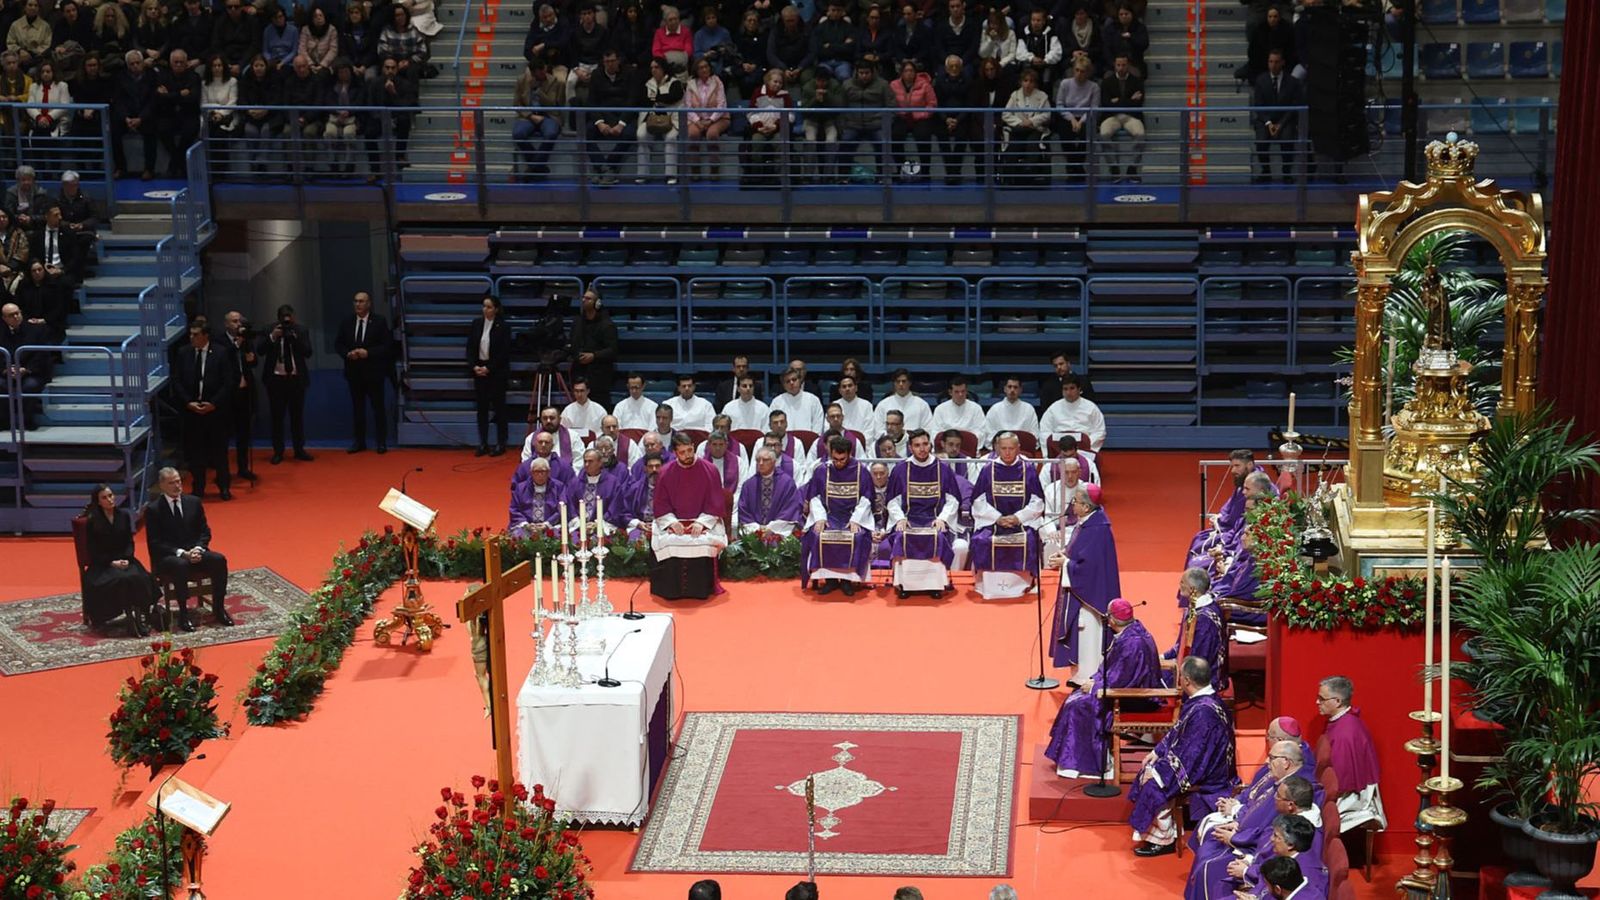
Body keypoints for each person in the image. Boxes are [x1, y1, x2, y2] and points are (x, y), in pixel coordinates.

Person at [1127, 656, 1236, 857]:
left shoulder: (1203, 712)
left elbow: (1193, 756)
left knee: (1154, 783)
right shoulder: (1207, 699)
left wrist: (1160, 773)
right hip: (1207, 762)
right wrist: (1157, 751)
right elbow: (1179, 731)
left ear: (1186, 680)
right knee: (1152, 767)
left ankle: (1163, 839)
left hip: (1212, 773)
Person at [1045, 597, 1160, 778]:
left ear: (1112, 620)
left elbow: (1123, 679)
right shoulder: (1132, 631)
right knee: (1076, 697)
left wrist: (1094, 687)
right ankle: (1072, 759)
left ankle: (1082, 765)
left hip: (1136, 698)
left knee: (1080, 706)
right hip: (1129, 688)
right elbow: (1118, 670)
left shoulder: (1132, 643)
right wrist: (1095, 682)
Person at [1185, 752, 1312, 900]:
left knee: (1209, 870)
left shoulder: (1299, 835)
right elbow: (1265, 838)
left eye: (1278, 797)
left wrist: (1247, 870)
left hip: (1259, 875)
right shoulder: (1290, 817)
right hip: (1255, 861)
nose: (1274, 798)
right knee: (1208, 856)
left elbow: (1280, 877)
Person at [144, 466, 232, 632]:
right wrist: (182, 553)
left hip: (194, 551)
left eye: (178, 481)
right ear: (162, 485)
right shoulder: (154, 509)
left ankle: (219, 608)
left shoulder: (193, 502)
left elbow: (204, 532)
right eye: (172, 483)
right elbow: (155, 542)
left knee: (219, 560)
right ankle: (183, 614)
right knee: (181, 565)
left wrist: (198, 548)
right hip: (169, 557)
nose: (177, 486)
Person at [1049, 482, 1121, 678]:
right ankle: (1079, 675)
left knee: (1087, 637)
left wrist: (1066, 564)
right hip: (1082, 592)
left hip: (1090, 600)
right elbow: (1081, 552)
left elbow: (1090, 569)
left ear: (1087, 507)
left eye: (1076, 501)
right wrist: (1064, 554)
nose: (1073, 504)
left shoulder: (1097, 529)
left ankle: (1087, 676)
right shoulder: (1088, 522)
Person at [886, 429, 963, 594]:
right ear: (910, 447)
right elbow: (892, 501)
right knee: (901, 536)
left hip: (934, 518)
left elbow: (953, 500)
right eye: (917, 445)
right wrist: (900, 519)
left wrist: (943, 518)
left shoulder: (943, 468)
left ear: (930, 445)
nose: (922, 449)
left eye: (925, 444)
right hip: (909, 518)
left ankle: (935, 584)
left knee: (938, 536)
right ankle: (904, 585)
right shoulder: (901, 469)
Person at [651, 432, 729, 595]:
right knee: (668, 541)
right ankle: (670, 590)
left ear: (693, 447)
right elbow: (661, 504)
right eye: (682, 452)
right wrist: (672, 522)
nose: (687, 455)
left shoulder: (710, 470)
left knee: (703, 541)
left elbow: (715, 502)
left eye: (689, 450)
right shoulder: (665, 472)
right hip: (674, 520)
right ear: (675, 453)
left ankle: (701, 589)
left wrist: (701, 522)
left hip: (704, 520)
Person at [969, 432, 1044, 599]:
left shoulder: (1028, 469)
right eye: (1004, 448)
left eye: (1011, 448)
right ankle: (986, 584)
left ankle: (1022, 583)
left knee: (1029, 540)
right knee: (982, 540)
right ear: (997, 448)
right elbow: (978, 500)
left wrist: (1018, 517)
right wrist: (997, 518)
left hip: (1021, 523)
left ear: (1018, 448)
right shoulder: (988, 470)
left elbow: (1037, 501)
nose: (1008, 452)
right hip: (993, 522)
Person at [81, 483, 158, 636]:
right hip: (103, 563)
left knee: (138, 577)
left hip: (125, 559)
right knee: (122, 579)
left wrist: (126, 558)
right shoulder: (93, 521)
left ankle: (138, 616)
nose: (110, 500)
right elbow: (93, 550)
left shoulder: (123, 515)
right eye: (104, 497)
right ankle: (131, 619)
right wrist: (111, 562)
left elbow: (129, 542)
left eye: (110, 495)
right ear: (98, 502)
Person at [802, 434, 875, 595]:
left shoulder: (861, 471)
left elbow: (867, 499)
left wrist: (856, 519)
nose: (838, 463)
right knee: (818, 535)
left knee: (857, 536)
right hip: (829, 515)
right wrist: (820, 518)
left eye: (842, 459)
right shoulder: (822, 470)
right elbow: (814, 497)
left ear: (850, 454)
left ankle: (847, 580)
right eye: (835, 459)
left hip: (852, 516)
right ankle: (830, 580)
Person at [1317, 675, 1387, 832]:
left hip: (1349, 799)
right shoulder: (1342, 720)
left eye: (1321, 698)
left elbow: (1340, 781)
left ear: (1337, 701)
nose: (1317, 702)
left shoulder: (1346, 733)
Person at [174, 318, 234, 500]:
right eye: (190, 334)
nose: (192, 338)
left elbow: (228, 383)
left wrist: (213, 403)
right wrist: (188, 402)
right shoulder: (183, 353)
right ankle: (198, 487)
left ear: (206, 336)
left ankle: (224, 486)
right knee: (195, 453)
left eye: (196, 335)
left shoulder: (221, 353)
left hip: (215, 411)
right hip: (192, 412)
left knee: (219, 451)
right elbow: (177, 381)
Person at [333, 290, 391, 454]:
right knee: (358, 409)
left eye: (361, 301)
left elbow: (386, 346)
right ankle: (359, 442)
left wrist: (368, 353)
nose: (358, 304)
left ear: (368, 304)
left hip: (374, 373)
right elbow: (338, 344)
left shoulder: (379, 321)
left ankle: (381, 442)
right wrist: (347, 354)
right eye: (356, 301)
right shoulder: (347, 322)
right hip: (354, 373)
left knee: (378, 408)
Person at [1183, 449, 1259, 569]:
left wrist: (1219, 523)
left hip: (1235, 537)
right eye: (1232, 466)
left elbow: (1235, 520)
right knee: (1198, 538)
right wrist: (1220, 517)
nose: (1233, 470)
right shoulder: (1246, 481)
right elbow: (1229, 506)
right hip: (1234, 531)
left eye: (1237, 466)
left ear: (1249, 465)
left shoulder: (1255, 487)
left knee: (1199, 547)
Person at [258, 302, 312, 464]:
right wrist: (273, 337)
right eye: (284, 319)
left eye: (289, 318)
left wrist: (294, 339)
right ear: (278, 319)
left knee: (297, 416)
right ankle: (278, 451)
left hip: (296, 379)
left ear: (293, 318)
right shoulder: (269, 329)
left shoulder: (301, 330)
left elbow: (308, 352)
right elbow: (260, 350)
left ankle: (299, 449)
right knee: (277, 417)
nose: (287, 322)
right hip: (276, 380)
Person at [1167, 566, 1228, 692]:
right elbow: (1182, 645)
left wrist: (1178, 672)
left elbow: (1200, 658)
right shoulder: (1196, 607)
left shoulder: (1204, 621)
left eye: (1182, 582)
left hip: (1205, 678)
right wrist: (1164, 657)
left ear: (1192, 589)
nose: (1179, 586)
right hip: (1189, 662)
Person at [467, 293, 511, 457]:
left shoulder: (503, 327)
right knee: (482, 409)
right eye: (484, 306)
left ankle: (501, 443)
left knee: (499, 408)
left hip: (496, 372)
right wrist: (474, 366)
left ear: (496, 309)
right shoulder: (476, 324)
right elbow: (470, 348)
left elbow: (504, 352)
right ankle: (483, 442)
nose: (485, 309)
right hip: (479, 370)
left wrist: (489, 368)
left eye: (489, 307)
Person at [1251, 49, 1303, 184]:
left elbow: (1294, 106)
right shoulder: (1260, 80)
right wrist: (1269, 123)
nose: (1273, 65)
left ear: (1282, 63)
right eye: (1271, 62)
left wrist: (1281, 124)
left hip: (1285, 120)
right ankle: (1266, 172)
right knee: (1261, 141)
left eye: (1276, 62)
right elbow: (1258, 106)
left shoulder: (1292, 82)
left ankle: (1287, 173)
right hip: (1265, 120)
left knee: (1287, 139)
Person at [0, 302, 50, 429]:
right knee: (1, 385)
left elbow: (41, 354)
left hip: (31, 371)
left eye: (17, 313)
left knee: (30, 386)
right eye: (11, 315)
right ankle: (4, 421)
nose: (16, 317)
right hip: (6, 372)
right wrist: (5, 370)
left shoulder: (37, 329)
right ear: (4, 318)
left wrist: (26, 369)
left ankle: (26, 421)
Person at [222, 310, 258, 482]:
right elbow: (223, 358)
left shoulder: (246, 340)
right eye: (234, 321)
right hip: (228, 394)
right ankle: (223, 471)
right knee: (224, 433)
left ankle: (243, 468)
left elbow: (254, 362)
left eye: (239, 321)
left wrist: (251, 358)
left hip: (245, 391)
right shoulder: (220, 341)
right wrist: (236, 345)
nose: (238, 324)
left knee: (244, 433)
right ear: (226, 324)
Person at [736, 445, 803, 536]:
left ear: (773, 462)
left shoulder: (787, 483)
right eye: (758, 460)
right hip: (754, 532)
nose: (761, 463)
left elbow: (790, 509)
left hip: (779, 531)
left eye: (765, 460)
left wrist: (771, 528)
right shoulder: (748, 485)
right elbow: (744, 511)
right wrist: (758, 529)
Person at [1099, 52, 1145, 183]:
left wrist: (1117, 101)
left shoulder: (1137, 81)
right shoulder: (1107, 82)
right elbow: (1106, 103)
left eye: (1123, 65)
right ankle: (1114, 169)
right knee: (1104, 134)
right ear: (1114, 65)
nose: (1121, 68)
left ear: (1128, 65)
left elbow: (1138, 103)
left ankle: (1132, 169)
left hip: (1132, 116)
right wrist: (1129, 100)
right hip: (1112, 116)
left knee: (1140, 134)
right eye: (1118, 65)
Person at [565, 447, 629, 540]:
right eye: (585, 461)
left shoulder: (613, 483)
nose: (587, 464)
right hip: (578, 527)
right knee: (574, 541)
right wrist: (579, 523)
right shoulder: (575, 482)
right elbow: (570, 505)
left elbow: (615, 508)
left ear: (600, 463)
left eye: (590, 461)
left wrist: (597, 524)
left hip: (603, 526)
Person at [637, 57, 683, 183]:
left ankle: (671, 175)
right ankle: (643, 174)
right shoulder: (648, 83)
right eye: (652, 68)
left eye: (656, 67)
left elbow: (675, 96)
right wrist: (662, 99)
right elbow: (643, 100)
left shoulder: (674, 82)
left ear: (663, 69)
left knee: (671, 137)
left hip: (671, 119)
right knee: (641, 135)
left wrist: (656, 98)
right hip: (651, 119)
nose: (653, 70)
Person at [1040, 374, 1106, 457]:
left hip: (1083, 450)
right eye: (1065, 389)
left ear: (1079, 389)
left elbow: (1099, 431)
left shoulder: (1091, 408)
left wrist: (1086, 446)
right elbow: (1044, 431)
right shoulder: (1053, 408)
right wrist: (1057, 449)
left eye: (1072, 388)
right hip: (1059, 449)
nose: (1068, 392)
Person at [509, 456, 565, 536]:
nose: (540, 475)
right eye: (536, 471)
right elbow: (514, 509)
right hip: (527, 526)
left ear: (549, 472)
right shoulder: (520, 488)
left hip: (550, 526)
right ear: (531, 472)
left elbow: (561, 509)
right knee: (518, 537)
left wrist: (546, 524)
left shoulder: (558, 487)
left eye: (543, 471)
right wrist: (526, 525)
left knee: (558, 536)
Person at [930, 374, 989, 449]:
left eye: (963, 391)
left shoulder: (976, 408)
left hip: (969, 449)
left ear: (966, 391)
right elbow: (935, 433)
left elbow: (981, 432)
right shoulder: (940, 409)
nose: (960, 394)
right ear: (950, 392)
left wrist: (964, 443)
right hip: (946, 450)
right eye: (956, 392)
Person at [769, 366, 824, 434]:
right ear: (783, 385)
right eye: (788, 381)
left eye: (794, 379)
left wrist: (813, 439)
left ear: (800, 381)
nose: (791, 383)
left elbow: (818, 424)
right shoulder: (777, 402)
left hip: (808, 439)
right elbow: (772, 425)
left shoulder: (813, 400)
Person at [985, 377, 1040, 446]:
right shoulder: (995, 409)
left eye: (1015, 387)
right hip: (1000, 448)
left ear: (1020, 390)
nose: (1012, 390)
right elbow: (988, 432)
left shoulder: (1029, 409)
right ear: (1005, 389)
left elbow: (1034, 434)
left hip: (1022, 447)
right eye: (1009, 387)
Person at [875, 368, 932, 434]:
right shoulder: (883, 405)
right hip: (890, 439)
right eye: (898, 381)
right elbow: (878, 430)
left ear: (910, 383)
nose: (901, 384)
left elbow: (928, 429)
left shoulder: (922, 405)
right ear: (894, 383)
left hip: (915, 439)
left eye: (904, 381)